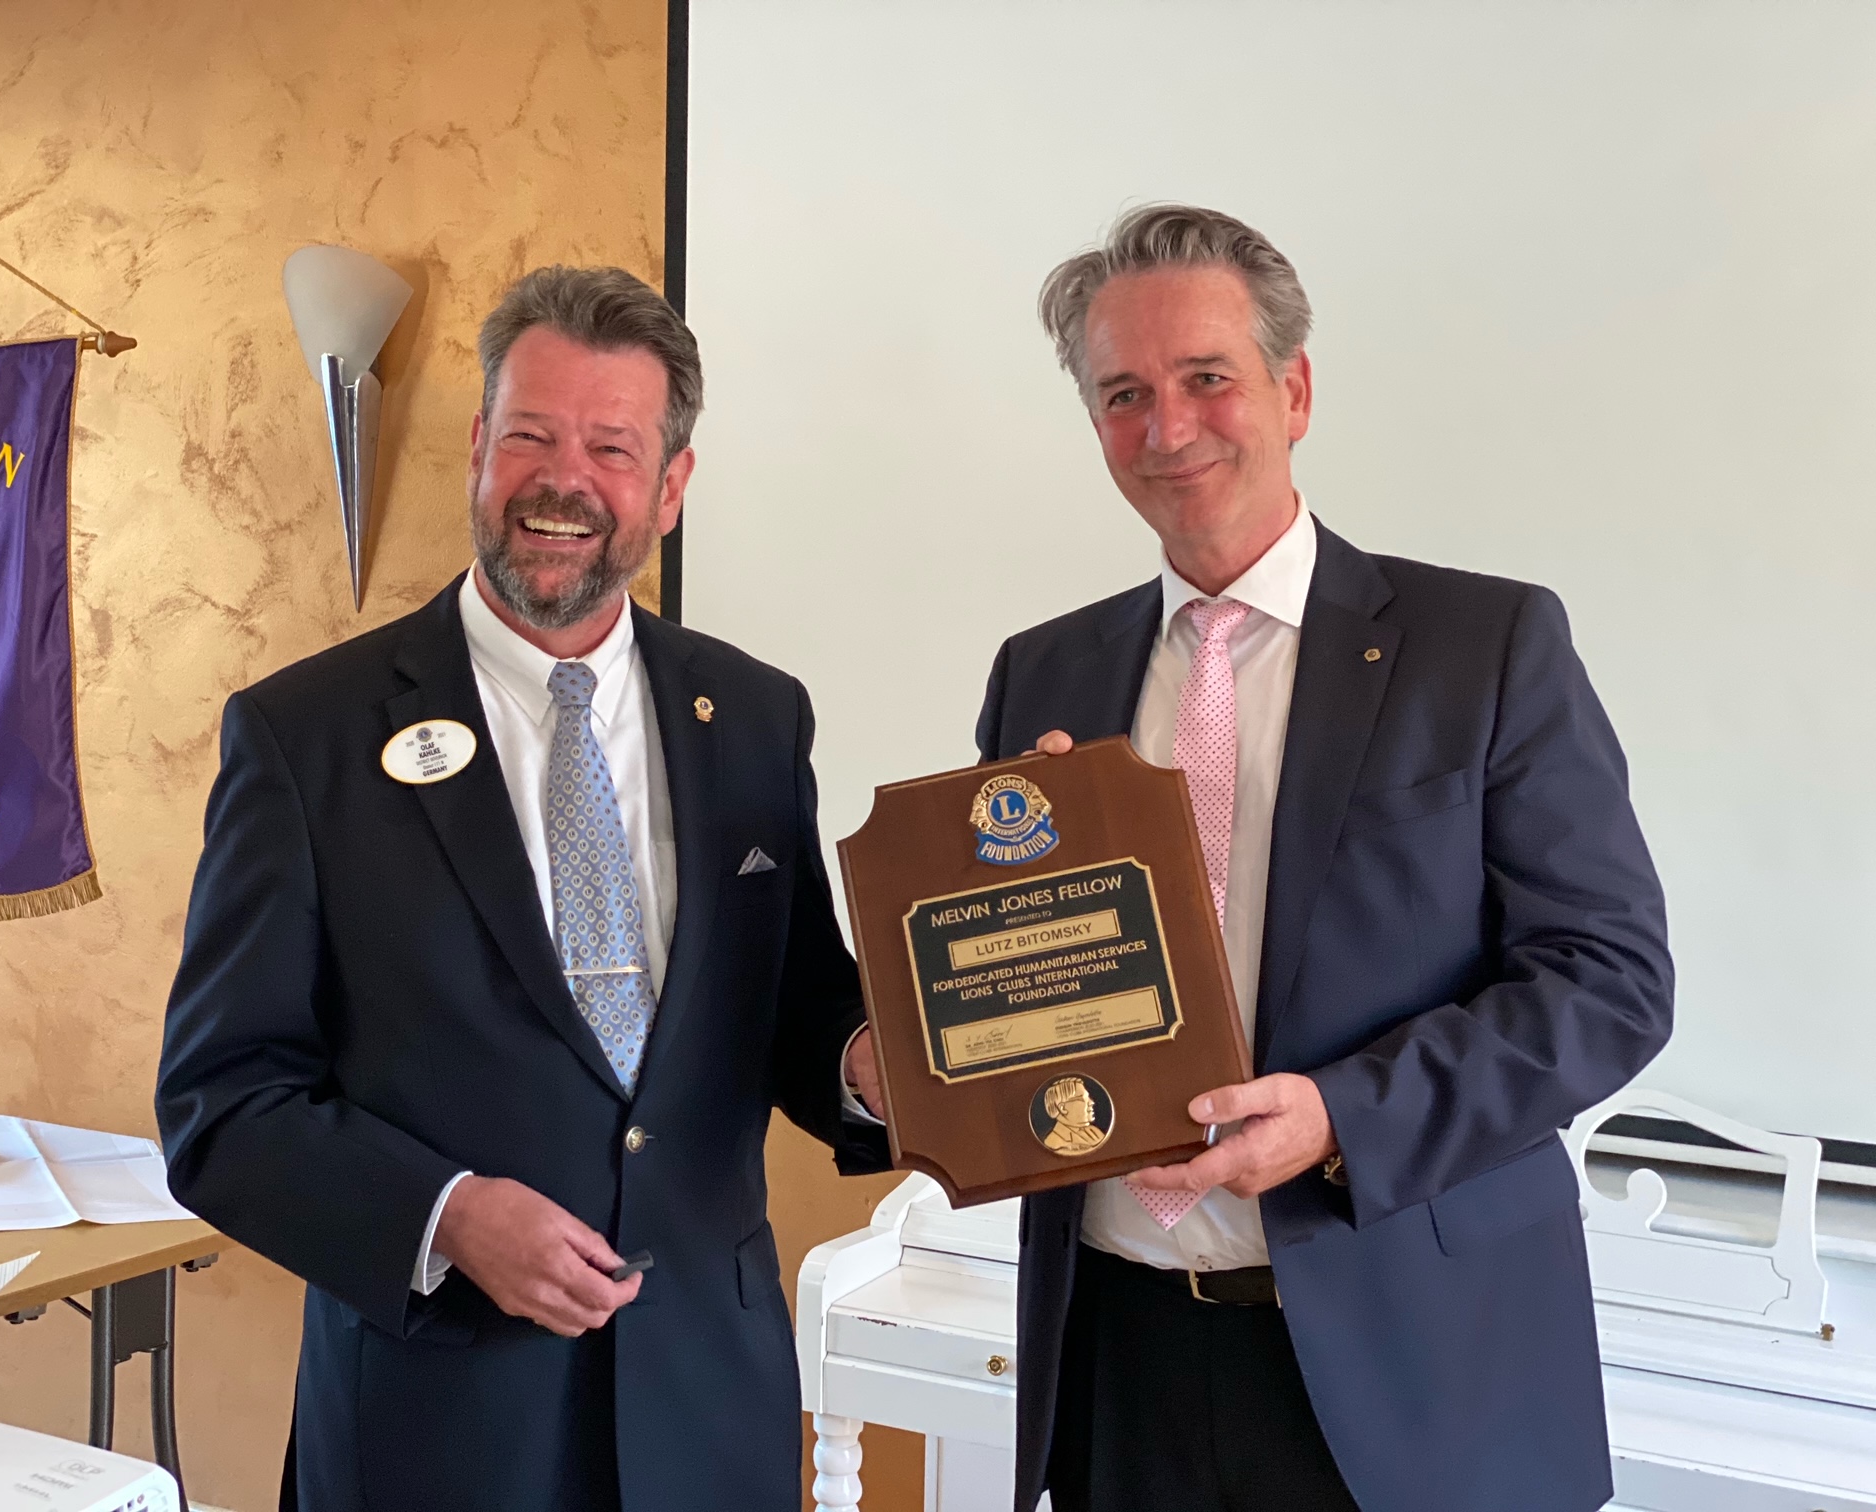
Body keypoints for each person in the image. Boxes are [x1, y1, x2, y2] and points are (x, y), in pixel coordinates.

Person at [156, 265, 888, 1512]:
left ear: (670, 487)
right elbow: (223, 1106)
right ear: (480, 450)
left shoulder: (756, 716)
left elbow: (792, 1012)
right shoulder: (308, 736)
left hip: (710, 1414)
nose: (565, 482)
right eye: (533, 435)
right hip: (436, 1431)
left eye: (611, 446)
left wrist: (873, 1068)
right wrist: (442, 1215)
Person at [978, 206, 1674, 1512]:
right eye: (1123, 394)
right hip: (1122, 1352)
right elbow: (1027, 987)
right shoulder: (1046, 673)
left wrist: (1339, 1119)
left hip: (1407, 1365)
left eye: (1206, 380)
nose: (1167, 429)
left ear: (1292, 390)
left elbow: (1609, 981)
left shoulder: (1486, 646)